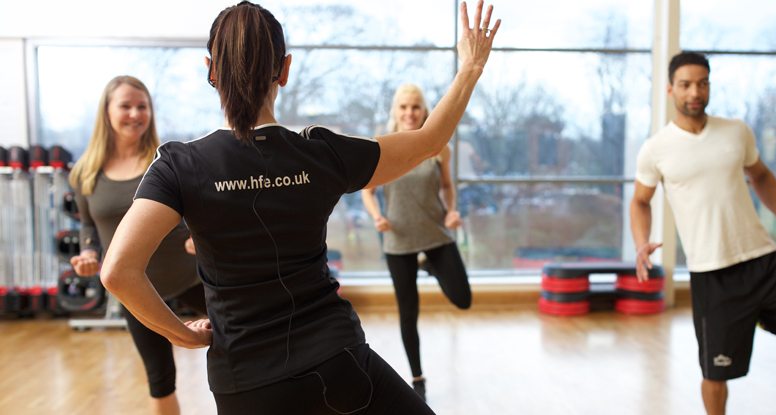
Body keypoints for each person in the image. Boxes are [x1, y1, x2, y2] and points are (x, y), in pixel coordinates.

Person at [98, 1, 500, 414]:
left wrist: (181, 334)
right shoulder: (319, 153)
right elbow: (430, 141)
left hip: (244, 384)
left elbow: (118, 271)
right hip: (337, 363)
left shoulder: (179, 166)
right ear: (285, 70)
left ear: (211, 70)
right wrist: (470, 67)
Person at [630, 52, 776, 415]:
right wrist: (641, 243)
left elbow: (761, 176)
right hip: (713, 274)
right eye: (686, 84)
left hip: (762, 259)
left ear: (709, 85)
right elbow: (640, 202)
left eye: (702, 83)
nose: (695, 91)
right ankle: (739, 318)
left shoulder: (736, 131)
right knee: (715, 372)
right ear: (670, 89)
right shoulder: (656, 149)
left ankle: (750, 314)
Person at [68, 75, 207, 415]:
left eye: (142, 106)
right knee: (160, 380)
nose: (135, 114)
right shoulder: (85, 172)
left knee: (244, 347)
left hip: (191, 277)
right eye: (126, 106)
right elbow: (90, 224)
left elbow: (198, 212)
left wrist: (199, 238)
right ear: (107, 112)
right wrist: (88, 253)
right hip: (138, 292)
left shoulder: (165, 162)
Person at [360, 84, 472, 401]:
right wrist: (376, 216)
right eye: (404, 107)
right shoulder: (382, 146)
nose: (410, 113)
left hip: (434, 232)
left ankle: (430, 266)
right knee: (408, 312)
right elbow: (367, 190)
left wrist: (452, 210)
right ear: (395, 111)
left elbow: (448, 187)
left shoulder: (438, 146)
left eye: (416, 107)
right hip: (398, 239)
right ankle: (418, 378)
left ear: (424, 111)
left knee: (463, 299)